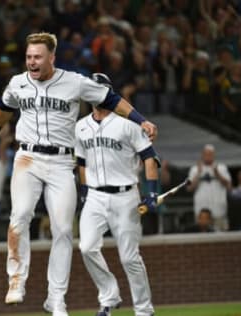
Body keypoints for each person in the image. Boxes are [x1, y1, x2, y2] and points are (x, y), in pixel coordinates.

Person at [0, 32, 157, 316]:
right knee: (21, 215)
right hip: (27, 156)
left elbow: (110, 98)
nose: (32, 62)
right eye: (28, 57)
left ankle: (56, 299)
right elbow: (3, 107)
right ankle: (16, 279)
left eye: (37, 57)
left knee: (63, 230)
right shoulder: (18, 83)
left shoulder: (74, 82)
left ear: (52, 57)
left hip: (62, 163)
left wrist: (141, 119)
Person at [75, 73, 157, 316]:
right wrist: (83, 193)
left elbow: (149, 158)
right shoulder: (80, 126)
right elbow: (81, 163)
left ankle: (144, 310)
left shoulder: (129, 125)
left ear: (109, 93)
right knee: (87, 247)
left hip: (125, 196)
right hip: (95, 196)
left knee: (129, 258)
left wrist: (151, 192)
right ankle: (109, 296)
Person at [187, 144, 232, 231]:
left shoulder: (221, 167)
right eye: (206, 154)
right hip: (201, 212)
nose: (208, 156)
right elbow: (189, 188)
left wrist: (217, 173)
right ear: (202, 155)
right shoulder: (195, 169)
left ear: (214, 155)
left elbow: (229, 186)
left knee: (220, 235)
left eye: (210, 154)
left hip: (219, 210)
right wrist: (199, 173)